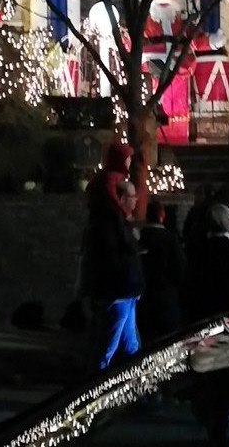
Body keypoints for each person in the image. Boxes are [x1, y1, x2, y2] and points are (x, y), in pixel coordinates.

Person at [81, 143, 144, 371]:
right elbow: (111, 255)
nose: (136, 200)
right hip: (118, 292)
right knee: (108, 346)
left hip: (125, 291)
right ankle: (93, 391)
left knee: (129, 345)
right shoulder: (111, 218)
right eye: (132, 196)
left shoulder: (112, 218)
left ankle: (134, 389)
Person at [137, 200, 186, 345]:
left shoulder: (139, 238)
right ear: (162, 215)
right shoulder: (169, 239)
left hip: (144, 299)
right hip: (166, 298)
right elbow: (180, 268)